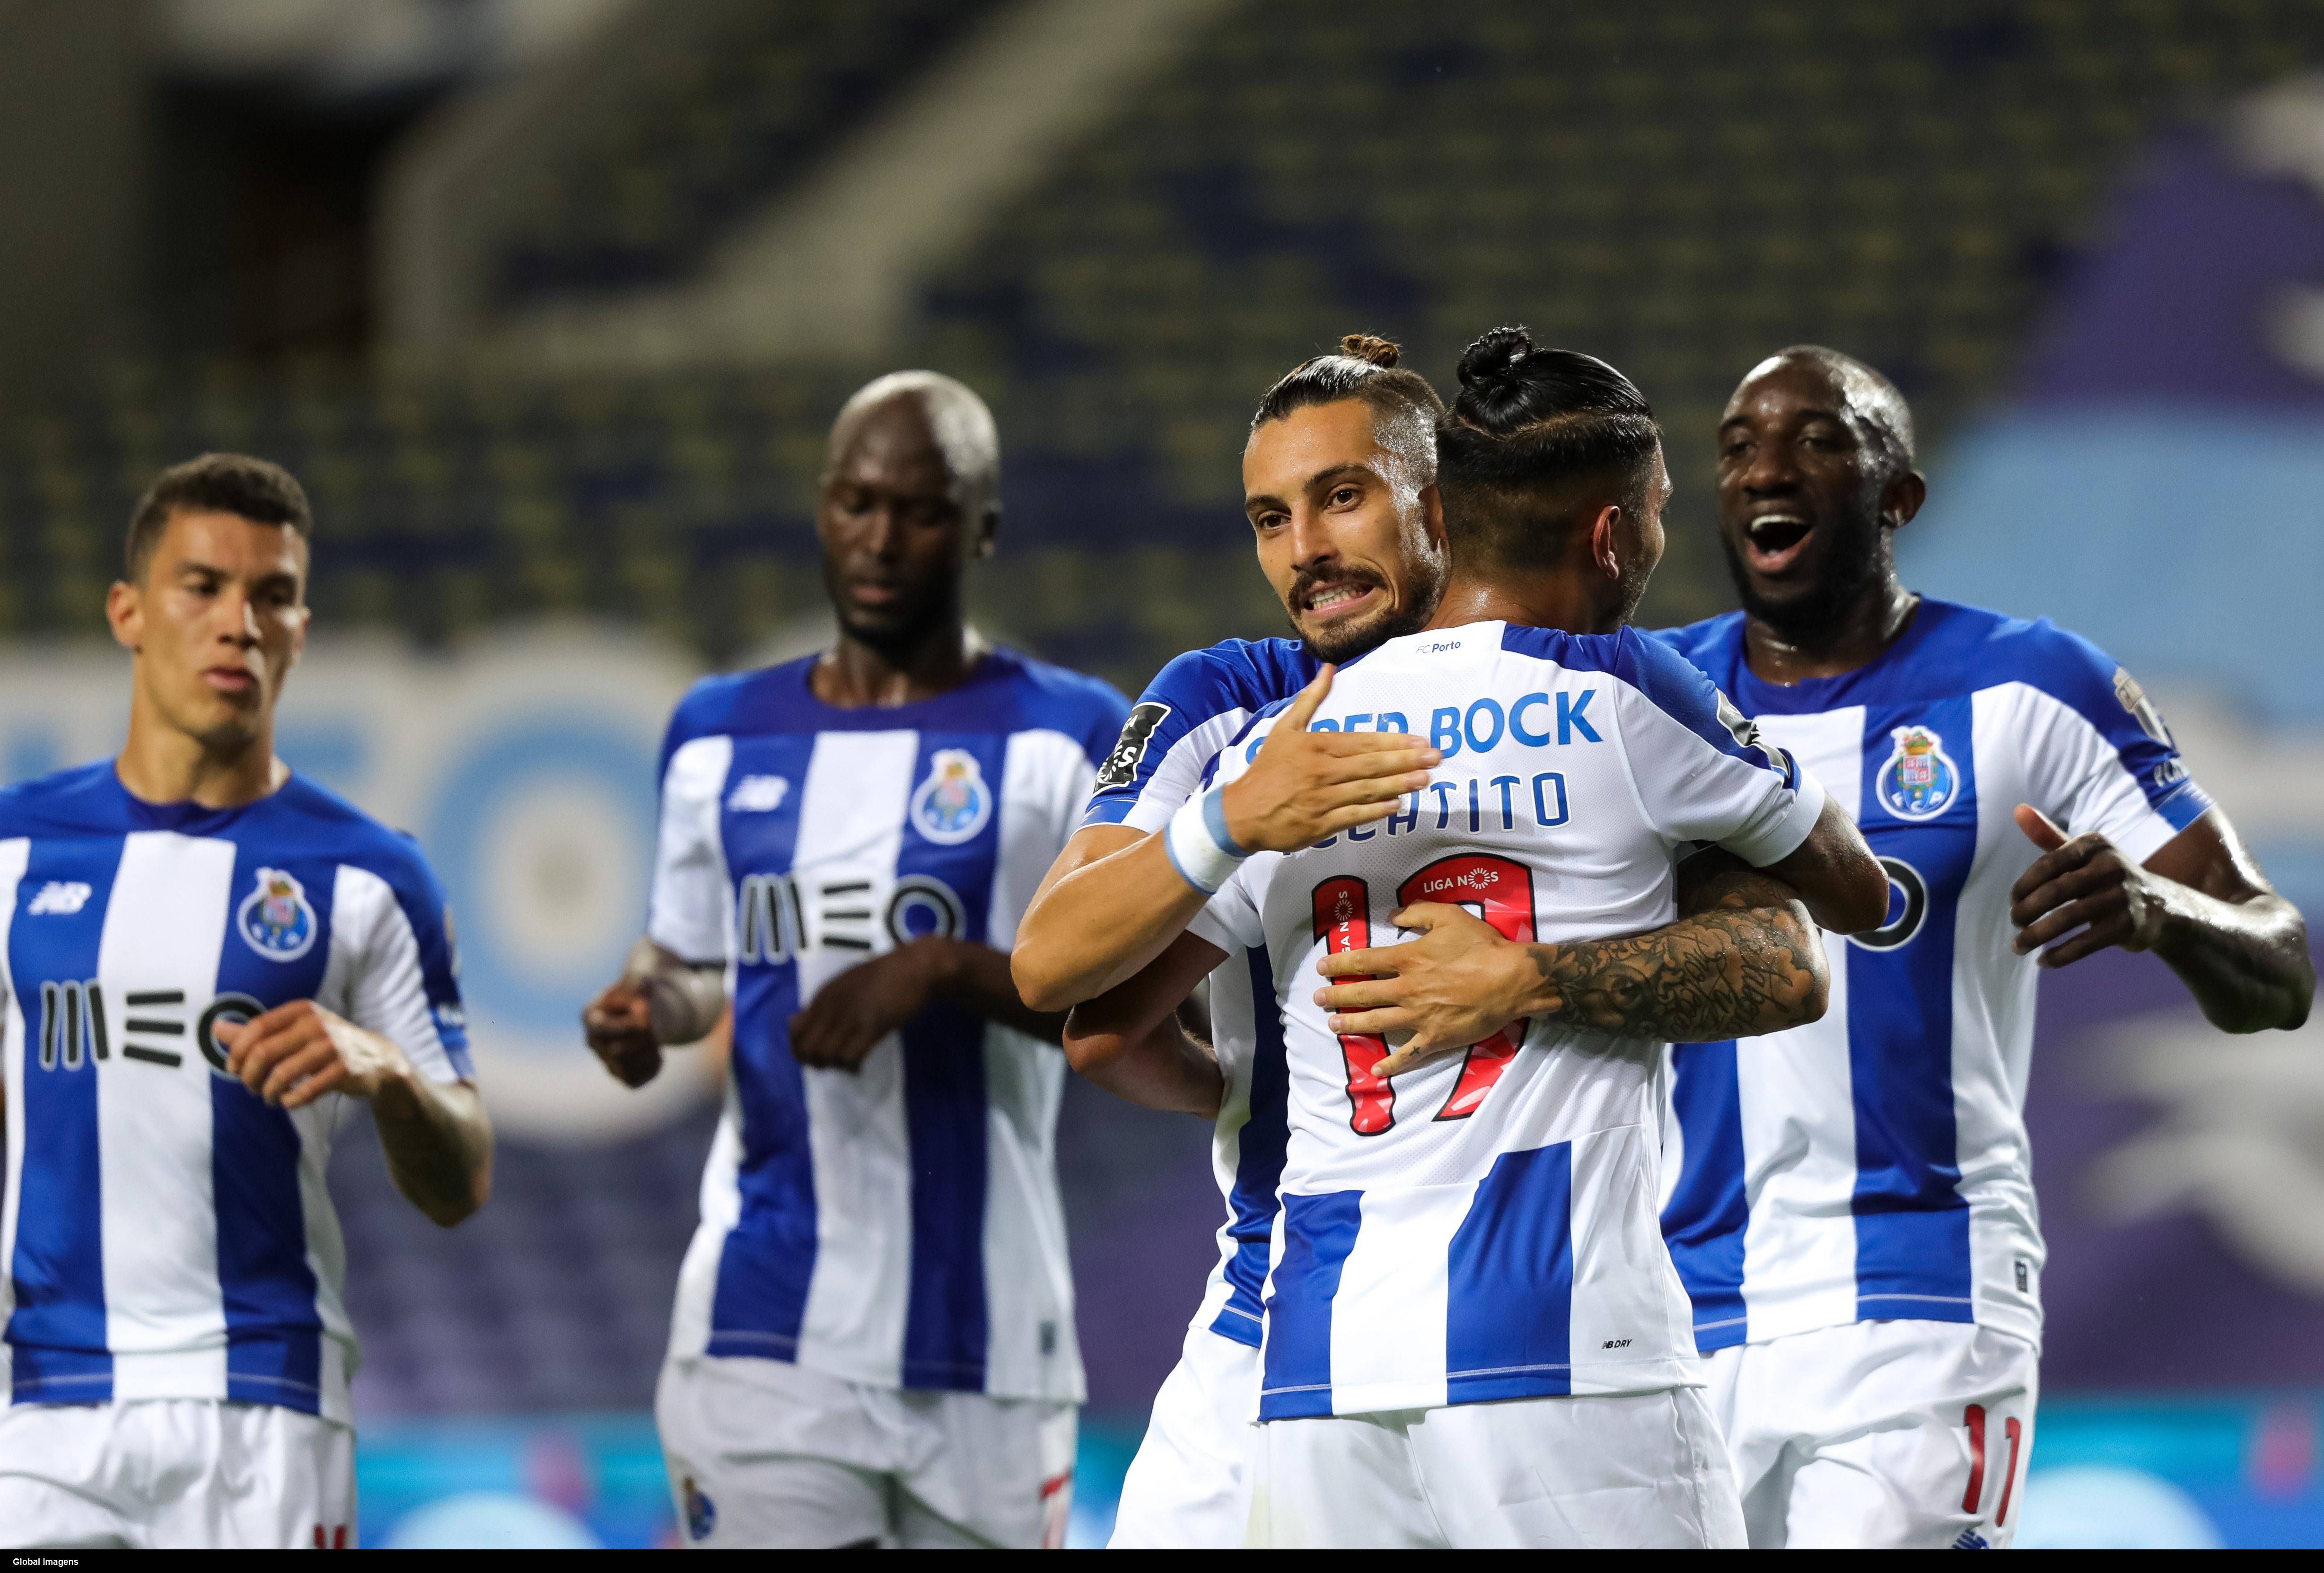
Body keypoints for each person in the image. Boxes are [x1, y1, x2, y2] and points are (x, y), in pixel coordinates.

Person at [1061, 331, 1889, 1548]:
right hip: (1562, 1338)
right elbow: (1833, 922)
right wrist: (1550, 964)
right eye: (1273, 516)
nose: (1307, 547)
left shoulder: (1272, 745)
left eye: (1339, 500)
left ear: (1434, 506)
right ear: (1615, 536)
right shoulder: (1624, 694)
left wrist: (1249, 1081)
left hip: (1311, 1350)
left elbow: (1095, 1023)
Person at [1642, 347, 2314, 1549]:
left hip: (1921, 1296)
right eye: (1740, 446)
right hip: (1676, 1310)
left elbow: (2280, 965)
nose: (1766, 470)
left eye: (1817, 439)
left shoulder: (2030, 686)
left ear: (1898, 495)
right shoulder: (1653, 702)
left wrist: (2160, 913)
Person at [581, 372, 1128, 1550]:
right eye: (854, 502)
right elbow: (686, 963)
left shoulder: (1072, 736)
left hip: (992, 1337)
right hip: (764, 1323)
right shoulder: (717, 733)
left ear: (981, 526)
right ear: (823, 508)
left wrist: (943, 970)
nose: (880, 539)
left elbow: (1140, 1015)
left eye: (921, 511)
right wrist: (647, 1009)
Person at [0, 454, 491, 1550]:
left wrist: (392, 1072)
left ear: (302, 628)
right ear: (128, 611)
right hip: (47, 1414)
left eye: (271, 595)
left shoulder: (372, 876)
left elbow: (462, 1180)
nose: (240, 623)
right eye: (203, 586)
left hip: (264, 1409)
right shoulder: (13, 844)